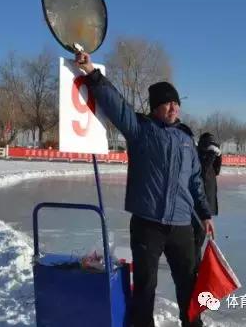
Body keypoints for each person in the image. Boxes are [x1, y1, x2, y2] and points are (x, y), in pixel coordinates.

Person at [75, 52, 214, 327]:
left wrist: (205, 214)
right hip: (147, 224)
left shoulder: (187, 139)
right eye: (166, 103)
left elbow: (196, 181)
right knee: (145, 288)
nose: (173, 108)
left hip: (182, 226)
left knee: (189, 286)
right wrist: (91, 73)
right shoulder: (141, 130)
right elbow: (116, 104)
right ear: (155, 107)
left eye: (176, 103)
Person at [193, 133, 222, 267]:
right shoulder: (198, 157)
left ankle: (195, 261)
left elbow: (216, 170)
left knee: (201, 237)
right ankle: (195, 263)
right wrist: (211, 155)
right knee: (197, 238)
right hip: (199, 205)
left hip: (208, 203)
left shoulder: (209, 158)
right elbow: (202, 172)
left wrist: (218, 156)